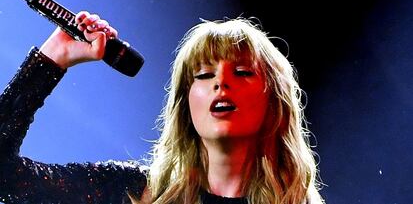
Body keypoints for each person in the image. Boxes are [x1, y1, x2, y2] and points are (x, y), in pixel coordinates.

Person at [0, 11, 325, 204]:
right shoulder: (132, 192)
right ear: (185, 104)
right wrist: (53, 57)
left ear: (275, 99)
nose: (221, 82)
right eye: (204, 74)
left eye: (242, 72)